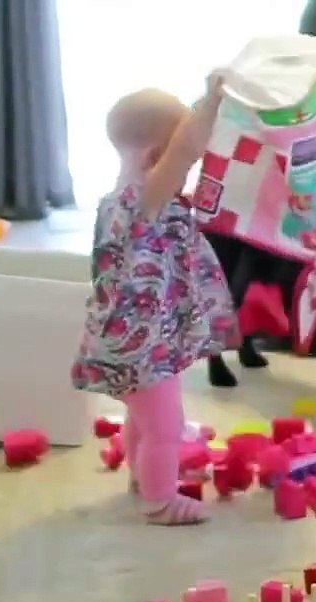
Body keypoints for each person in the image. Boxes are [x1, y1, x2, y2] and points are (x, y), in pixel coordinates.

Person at [71, 74, 240, 525]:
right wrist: (212, 100)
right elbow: (185, 149)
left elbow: (180, 148)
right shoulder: (145, 197)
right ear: (155, 157)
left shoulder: (118, 200)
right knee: (165, 427)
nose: (190, 163)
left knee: (145, 420)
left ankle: (142, 477)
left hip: (125, 342)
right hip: (141, 348)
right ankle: (160, 501)